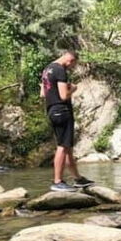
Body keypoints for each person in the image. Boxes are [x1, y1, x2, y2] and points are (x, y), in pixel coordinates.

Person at [40, 50, 94, 192]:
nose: (71, 68)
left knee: (67, 146)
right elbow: (64, 96)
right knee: (63, 147)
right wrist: (73, 89)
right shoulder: (60, 70)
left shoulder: (47, 69)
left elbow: (42, 94)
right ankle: (57, 181)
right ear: (70, 60)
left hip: (52, 110)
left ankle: (78, 179)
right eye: (72, 65)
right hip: (62, 110)